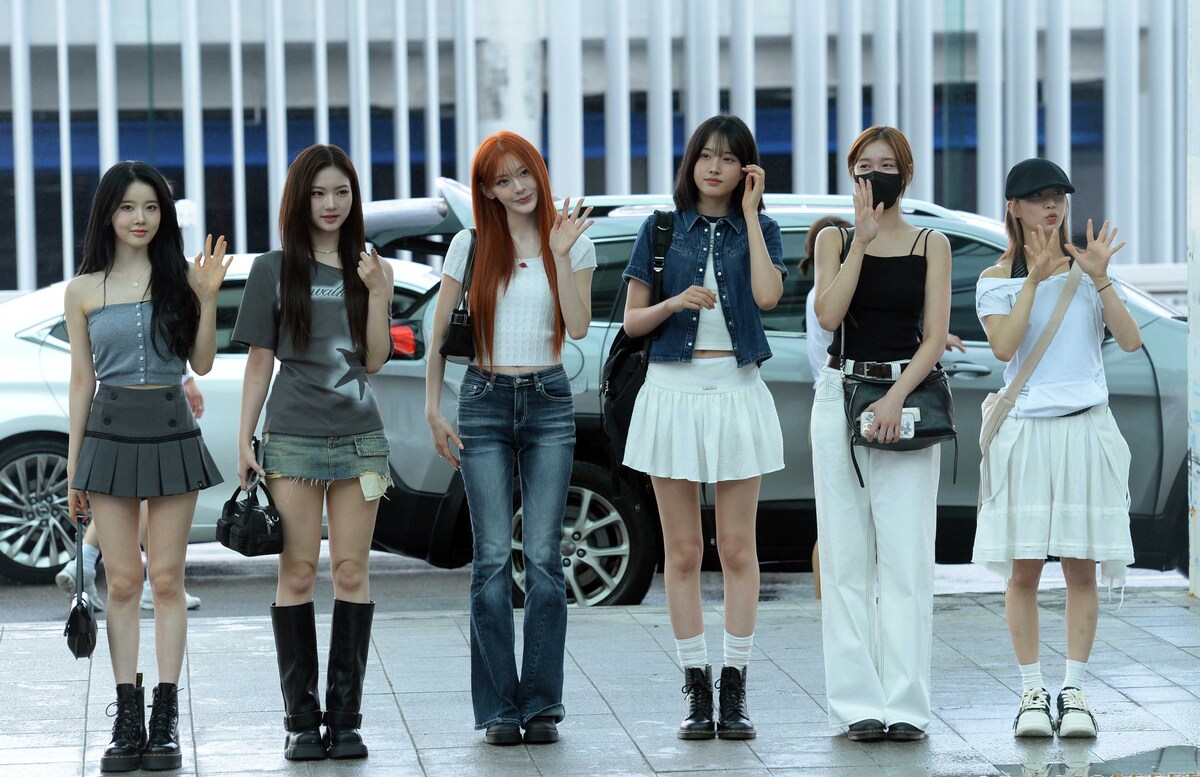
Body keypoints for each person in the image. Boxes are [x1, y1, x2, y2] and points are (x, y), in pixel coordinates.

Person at [425, 131, 595, 746]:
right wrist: (432, 408)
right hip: (484, 399)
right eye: (502, 180)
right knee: (493, 558)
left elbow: (578, 326)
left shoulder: (573, 239)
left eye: (524, 173)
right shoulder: (470, 245)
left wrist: (561, 255)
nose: (518, 187)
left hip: (548, 399)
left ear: (539, 173)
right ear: (487, 190)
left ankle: (542, 703)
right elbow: (439, 333)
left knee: (545, 559)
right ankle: (499, 707)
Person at [621, 114, 786, 741]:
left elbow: (768, 297)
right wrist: (675, 300)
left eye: (729, 158)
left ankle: (735, 686)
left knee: (738, 549)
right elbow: (634, 323)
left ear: (747, 170)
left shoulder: (761, 228)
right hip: (672, 391)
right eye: (705, 156)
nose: (714, 167)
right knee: (684, 551)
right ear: (690, 163)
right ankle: (696, 686)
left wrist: (751, 215)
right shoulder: (661, 228)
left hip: (737, 391)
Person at [233, 144, 394, 761]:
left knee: (352, 571)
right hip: (292, 439)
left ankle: (345, 720)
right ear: (299, 200)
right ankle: (301, 721)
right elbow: (259, 361)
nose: (331, 204)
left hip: (360, 440)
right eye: (319, 193)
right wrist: (245, 438)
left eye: (342, 192)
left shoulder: (368, 266)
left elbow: (375, 359)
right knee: (297, 571)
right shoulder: (273, 269)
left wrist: (378, 294)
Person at [65, 160, 227, 772]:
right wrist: (75, 466)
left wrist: (207, 298)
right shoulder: (83, 289)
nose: (141, 218)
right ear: (108, 213)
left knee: (166, 579)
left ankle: (165, 716)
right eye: (129, 207)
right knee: (122, 582)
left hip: (171, 431)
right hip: (108, 437)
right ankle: (126, 717)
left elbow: (202, 363)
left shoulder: (182, 278)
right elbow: (81, 381)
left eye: (152, 207)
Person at [974, 158, 1140, 739]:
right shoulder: (996, 279)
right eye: (1038, 197)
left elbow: (1129, 339)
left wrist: (1100, 277)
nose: (1052, 206)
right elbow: (1004, 347)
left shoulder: (1087, 269)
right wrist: (1034, 280)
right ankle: (1031, 693)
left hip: (1085, 429)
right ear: (1014, 207)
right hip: (1027, 432)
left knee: (1080, 569)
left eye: (1059, 196)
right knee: (1023, 571)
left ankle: (1074, 692)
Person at [810, 126, 952, 743]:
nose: (875, 175)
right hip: (840, 394)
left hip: (906, 398)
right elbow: (828, 315)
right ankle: (856, 705)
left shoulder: (932, 243)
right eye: (864, 166)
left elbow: (934, 336)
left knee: (906, 558)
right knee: (844, 557)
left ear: (906, 174)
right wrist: (861, 243)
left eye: (887, 165)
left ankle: (907, 705)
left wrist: (895, 398)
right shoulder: (835, 239)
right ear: (851, 174)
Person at [57, 373, 206, 612]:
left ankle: (88, 559)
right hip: (146, 401)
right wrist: (186, 377)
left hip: (138, 403)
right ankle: (154, 581)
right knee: (152, 486)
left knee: (134, 488)